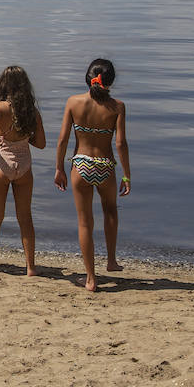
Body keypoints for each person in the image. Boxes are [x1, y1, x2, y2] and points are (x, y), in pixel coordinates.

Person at [54, 58, 131, 292]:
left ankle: (90, 278)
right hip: (105, 165)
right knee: (110, 212)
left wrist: (59, 168)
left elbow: (63, 140)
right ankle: (111, 261)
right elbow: (121, 143)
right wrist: (126, 175)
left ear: (88, 78)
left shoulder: (73, 102)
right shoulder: (117, 106)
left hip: (81, 165)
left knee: (85, 222)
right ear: (111, 81)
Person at [0, 66, 47, 275]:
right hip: (24, 166)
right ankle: (30, 267)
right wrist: (25, 137)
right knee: (25, 218)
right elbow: (42, 143)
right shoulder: (32, 112)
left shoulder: (1, 108)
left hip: (2, 164)